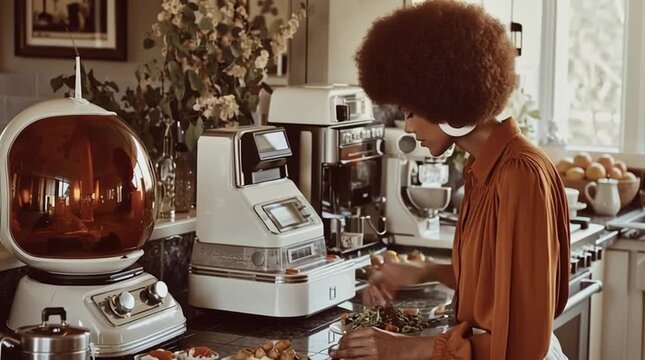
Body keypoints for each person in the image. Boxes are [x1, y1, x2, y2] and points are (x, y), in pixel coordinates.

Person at [330, 1, 570, 359]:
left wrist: (406, 347)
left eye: (411, 111)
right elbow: (496, 283)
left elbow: (523, 346)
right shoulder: (483, 169)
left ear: (445, 96)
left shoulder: (520, 174)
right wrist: (422, 271)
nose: (408, 126)